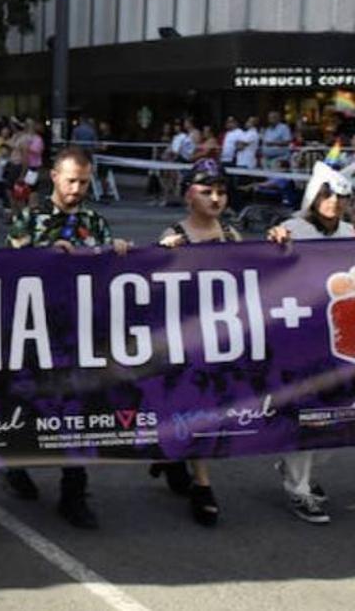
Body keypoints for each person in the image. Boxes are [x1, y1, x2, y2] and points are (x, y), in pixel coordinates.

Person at [5, 146, 129, 529]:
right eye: (71, 179)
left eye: (84, 181)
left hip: (83, 332)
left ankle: (74, 492)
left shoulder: (96, 220)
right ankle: (14, 462)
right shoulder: (28, 218)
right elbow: (9, 267)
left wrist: (121, 253)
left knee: (82, 411)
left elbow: (108, 270)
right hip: (38, 330)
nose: (77, 188)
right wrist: (45, 254)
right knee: (30, 403)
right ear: (54, 176)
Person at [265, 161, 355, 525]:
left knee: (341, 417)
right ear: (314, 196)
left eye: (342, 196)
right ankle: (298, 487)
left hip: (342, 341)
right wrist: (274, 243)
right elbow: (267, 270)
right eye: (328, 194)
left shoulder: (350, 232)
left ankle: (294, 466)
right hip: (303, 338)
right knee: (310, 415)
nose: (334, 202)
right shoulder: (293, 229)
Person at [154, 159, 239, 526]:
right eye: (207, 192)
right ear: (190, 195)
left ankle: (173, 457)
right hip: (184, 341)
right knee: (195, 409)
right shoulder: (175, 235)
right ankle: (202, 485)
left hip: (222, 339)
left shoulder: (232, 237)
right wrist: (161, 255)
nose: (215, 198)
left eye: (221, 192)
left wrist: (279, 245)